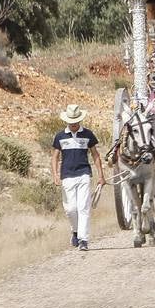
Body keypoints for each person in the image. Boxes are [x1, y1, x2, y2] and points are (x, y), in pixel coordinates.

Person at [51, 104, 104, 252]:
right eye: (71, 121)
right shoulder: (60, 137)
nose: (73, 124)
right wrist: (55, 174)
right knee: (70, 209)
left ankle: (83, 240)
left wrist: (101, 175)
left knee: (83, 208)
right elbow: (55, 157)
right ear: (67, 121)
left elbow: (95, 155)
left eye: (76, 121)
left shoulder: (88, 135)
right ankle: (75, 231)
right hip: (67, 176)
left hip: (84, 174)